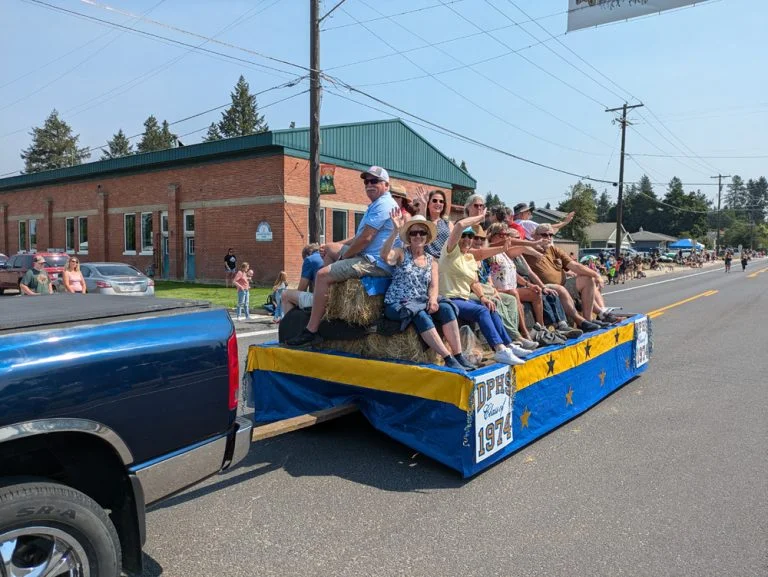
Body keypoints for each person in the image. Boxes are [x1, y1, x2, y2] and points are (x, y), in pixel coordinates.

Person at [287, 165, 398, 346]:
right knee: (329, 248)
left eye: (374, 181)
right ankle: (325, 304)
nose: (369, 184)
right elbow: (358, 237)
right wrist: (336, 246)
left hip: (376, 263)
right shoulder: (377, 204)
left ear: (386, 184)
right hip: (368, 257)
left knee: (322, 275)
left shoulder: (384, 204)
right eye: (366, 181)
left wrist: (343, 257)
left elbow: (365, 239)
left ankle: (312, 329)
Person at [380, 212, 475, 371]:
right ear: (409, 236)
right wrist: (395, 231)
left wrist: (432, 300)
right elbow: (385, 256)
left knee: (446, 307)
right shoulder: (402, 253)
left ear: (427, 236)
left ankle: (459, 355)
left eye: (422, 232)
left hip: (420, 301)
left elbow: (433, 286)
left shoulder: (432, 260)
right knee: (419, 314)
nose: (418, 236)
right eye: (413, 233)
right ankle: (448, 358)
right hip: (398, 303)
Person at [439, 208, 529, 366]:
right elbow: (459, 226)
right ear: (457, 237)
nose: (467, 239)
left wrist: (483, 297)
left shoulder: (469, 257)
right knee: (482, 310)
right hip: (447, 299)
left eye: (470, 236)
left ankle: (508, 345)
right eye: (464, 236)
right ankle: (499, 350)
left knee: (490, 306)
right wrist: (480, 217)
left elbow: (474, 283)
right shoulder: (450, 251)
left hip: (464, 299)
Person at [523, 224, 609, 332]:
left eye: (551, 235)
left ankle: (588, 320)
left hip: (562, 283)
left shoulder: (554, 249)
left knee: (588, 279)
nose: (548, 238)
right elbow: (515, 246)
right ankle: (579, 321)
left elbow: (575, 266)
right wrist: (535, 245)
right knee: (560, 288)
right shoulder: (527, 250)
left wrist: (596, 275)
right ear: (534, 235)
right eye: (544, 235)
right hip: (543, 285)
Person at [471, 228, 538, 350]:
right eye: (475, 238)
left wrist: (494, 290)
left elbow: (488, 276)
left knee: (511, 299)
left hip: (490, 289)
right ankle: (518, 337)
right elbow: (473, 282)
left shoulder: (489, 256)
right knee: (500, 300)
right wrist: (532, 244)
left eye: (482, 238)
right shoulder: (472, 254)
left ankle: (516, 336)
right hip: (476, 290)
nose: (479, 241)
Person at [281, 243, 322, 318]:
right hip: (334, 298)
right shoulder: (326, 256)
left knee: (285, 295)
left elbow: (301, 289)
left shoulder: (309, 259)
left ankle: (290, 325)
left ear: (307, 254)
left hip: (321, 299)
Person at [412, 187, 454, 258]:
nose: (438, 203)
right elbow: (421, 227)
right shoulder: (423, 220)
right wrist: (423, 206)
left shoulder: (448, 224)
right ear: (428, 204)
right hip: (426, 261)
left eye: (441, 201)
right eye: (434, 200)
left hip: (444, 261)